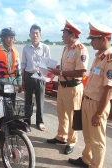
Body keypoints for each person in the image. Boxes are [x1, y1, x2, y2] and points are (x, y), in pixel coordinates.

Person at [68, 23, 112, 168]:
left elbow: (108, 91)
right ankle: (86, 159)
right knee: (88, 135)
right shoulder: (99, 57)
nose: (91, 42)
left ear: (103, 39)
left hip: (97, 104)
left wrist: (98, 114)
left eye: (93, 39)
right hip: (87, 101)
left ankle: (95, 165)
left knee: (97, 140)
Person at [47, 20, 89, 155]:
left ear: (72, 35)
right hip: (63, 86)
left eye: (64, 33)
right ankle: (61, 136)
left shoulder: (81, 50)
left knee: (72, 116)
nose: (62, 36)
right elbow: (67, 67)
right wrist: (58, 69)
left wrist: (60, 72)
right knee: (62, 114)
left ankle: (71, 142)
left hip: (73, 88)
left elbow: (82, 72)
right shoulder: (66, 48)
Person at [21, 24, 50, 131]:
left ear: (40, 35)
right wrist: (23, 79)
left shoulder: (45, 48)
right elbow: (23, 64)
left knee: (40, 100)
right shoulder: (26, 48)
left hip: (40, 76)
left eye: (37, 33)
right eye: (33, 33)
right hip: (28, 75)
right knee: (27, 100)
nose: (35, 35)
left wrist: (44, 74)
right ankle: (26, 120)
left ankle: (40, 121)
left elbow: (48, 64)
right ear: (29, 35)